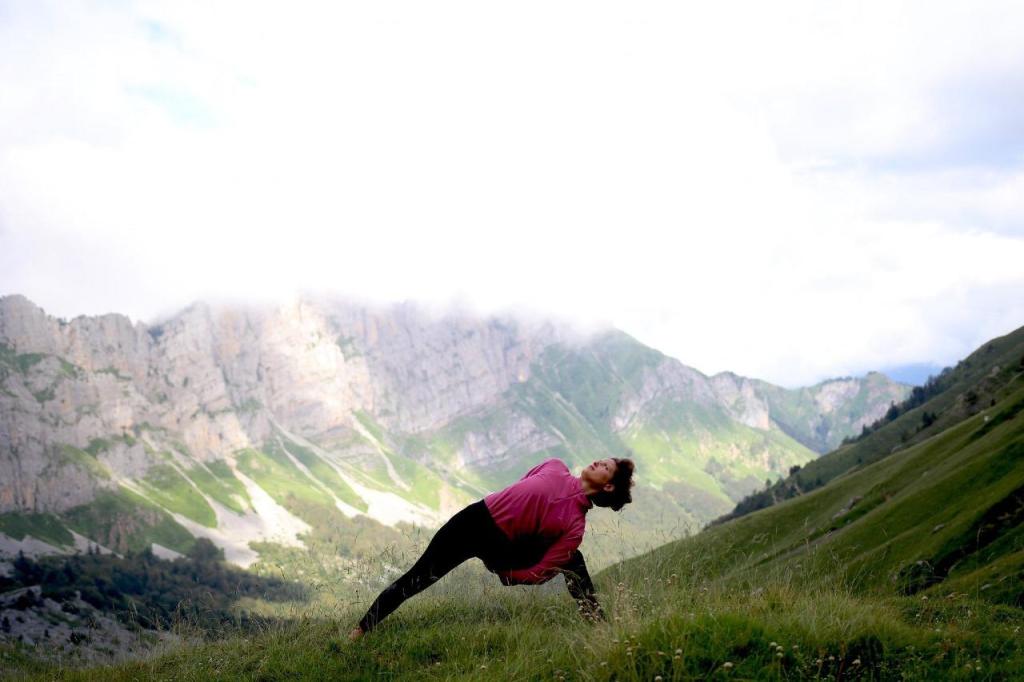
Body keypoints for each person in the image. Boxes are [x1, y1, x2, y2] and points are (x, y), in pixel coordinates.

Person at [348, 455, 636, 639]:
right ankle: (359, 631)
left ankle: (599, 626)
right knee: (417, 578)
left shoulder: (574, 526)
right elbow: (522, 486)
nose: (598, 461)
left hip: (504, 547)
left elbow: (544, 569)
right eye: (602, 460)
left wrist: (511, 575)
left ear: (608, 487)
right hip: (475, 519)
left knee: (574, 560)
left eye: (606, 467)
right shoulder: (555, 465)